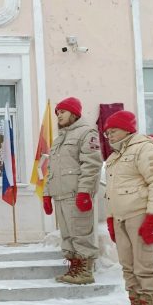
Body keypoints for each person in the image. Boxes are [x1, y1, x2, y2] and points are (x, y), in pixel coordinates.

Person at [103, 110, 153, 305]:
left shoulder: (144, 148)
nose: (109, 135)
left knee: (143, 266)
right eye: (107, 132)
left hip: (139, 216)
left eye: (113, 130)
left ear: (127, 129)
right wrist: (110, 219)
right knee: (128, 267)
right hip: (120, 219)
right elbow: (110, 192)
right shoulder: (113, 158)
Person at [43, 97, 102, 284]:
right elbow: (51, 169)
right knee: (67, 235)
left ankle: (85, 272)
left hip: (76, 195)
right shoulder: (59, 139)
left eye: (63, 112)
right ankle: (74, 269)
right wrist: (47, 194)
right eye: (57, 113)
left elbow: (92, 164)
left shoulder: (87, 133)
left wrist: (85, 192)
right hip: (60, 196)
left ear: (74, 113)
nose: (59, 115)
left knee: (81, 233)